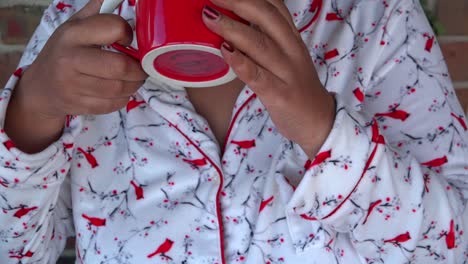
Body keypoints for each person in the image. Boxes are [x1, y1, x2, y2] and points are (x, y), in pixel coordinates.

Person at [0, 0, 466, 262]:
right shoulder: (79, 22)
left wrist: (323, 130)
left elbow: (455, 245)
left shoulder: (373, 17)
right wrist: (32, 112)